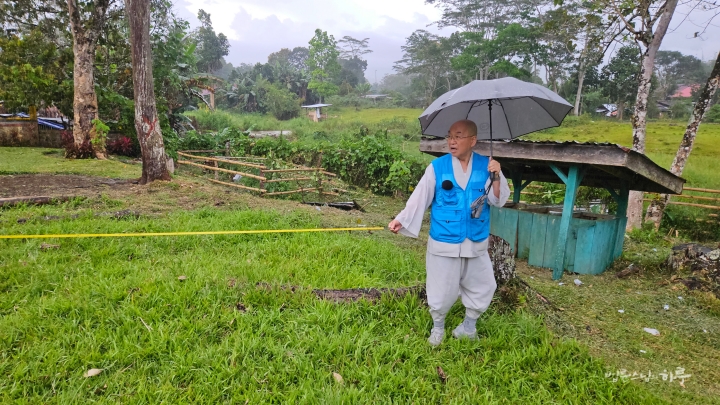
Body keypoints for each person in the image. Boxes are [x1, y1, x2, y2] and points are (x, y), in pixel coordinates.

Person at [388, 120, 510, 346]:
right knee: (441, 288)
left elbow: (497, 200)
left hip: (475, 239)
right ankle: (438, 328)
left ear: (472, 140)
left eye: (458, 136)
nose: (451, 141)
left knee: (483, 285)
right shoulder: (438, 167)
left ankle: (468, 327)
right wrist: (401, 219)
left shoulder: (488, 165)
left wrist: (496, 176)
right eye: (449, 136)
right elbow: (420, 196)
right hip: (444, 238)